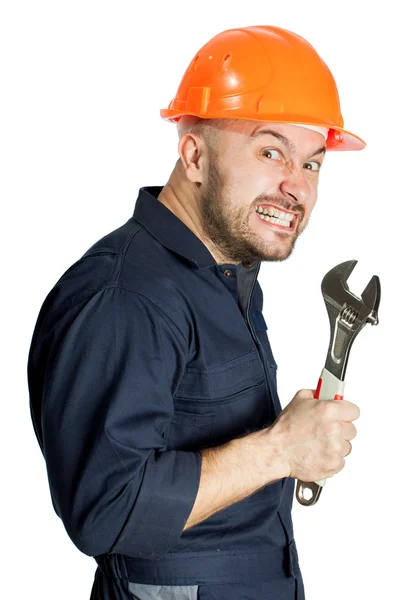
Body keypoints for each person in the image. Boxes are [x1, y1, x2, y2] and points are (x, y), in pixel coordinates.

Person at [27, 25, 363, 600]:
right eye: (269, 151)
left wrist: (291, 445)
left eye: (312, 164)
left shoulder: (224, 271)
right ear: (194, 155)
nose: (296, 187)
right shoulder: (125, 297)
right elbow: (107, 510)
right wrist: (279, 448)